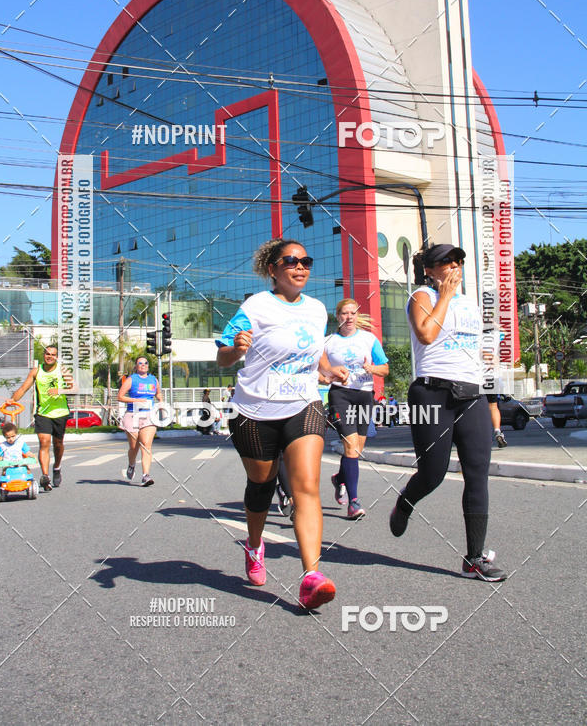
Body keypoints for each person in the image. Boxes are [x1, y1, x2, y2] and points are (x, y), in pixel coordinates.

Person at [216, 237, 345, 610]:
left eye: (306, 260)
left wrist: (326, 369)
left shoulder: (318, 309)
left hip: (303, 403)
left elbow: (314, 349)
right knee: (261, 482)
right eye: (291, 261)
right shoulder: (255, 307)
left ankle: (311, 576)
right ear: (272, 269)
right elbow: (224, 357)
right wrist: (237, 348)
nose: (300, 267)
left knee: (306, 486)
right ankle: (255, 544)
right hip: (254, 410)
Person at [389, 244, 507, 582]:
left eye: (458, 260)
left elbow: (486, 345)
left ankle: (474, 558)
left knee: (477, 474)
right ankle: (406, 503)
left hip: (471, 395)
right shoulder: (421, 296)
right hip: (431, 393)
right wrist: (445, 295)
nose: (454, 265)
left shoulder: (472, 303)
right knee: (433, 473)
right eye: (446, 261)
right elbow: (426, 334)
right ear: (430, 269)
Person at [320, 299, 389, 519]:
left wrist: (373, 368)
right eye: (344, 313)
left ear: (357, 316)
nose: (348, 317)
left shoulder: (369, 339)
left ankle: (339, 478)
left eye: (352, 313)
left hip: (364, 395)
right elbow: (318, 371)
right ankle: (354, 502)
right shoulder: (328, 342)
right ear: (337, 316)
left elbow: (385, 368)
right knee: (350, 447)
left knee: (356, 451)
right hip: (340, 394)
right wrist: (329, 375)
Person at [7, 345, 71, 491]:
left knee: (58, 444)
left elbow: (74, 388)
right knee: (44, 442)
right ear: (44, 355)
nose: (50, 356)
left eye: (53, 354)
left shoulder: (63, 370)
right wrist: (13, 400)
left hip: (60, 413)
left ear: (57, 357)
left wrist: (59, 390)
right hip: (43, 413)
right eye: (47, 354)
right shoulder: (36, 371)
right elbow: (23, 388)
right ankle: (45, 476)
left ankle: (57, 467)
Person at [117, 356, 162, 486]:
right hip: (132, 415)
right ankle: (131, 464)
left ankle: (146, 475)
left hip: (149, 415)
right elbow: (120, 396)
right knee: (133, 446)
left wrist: (161, 400)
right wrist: (136, 401)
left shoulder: (153, 379)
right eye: (140, 363)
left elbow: (158, 393)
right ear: (136, 366)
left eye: (145, 363)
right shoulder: (132, 379)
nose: (143, 365)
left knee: (146, 445)